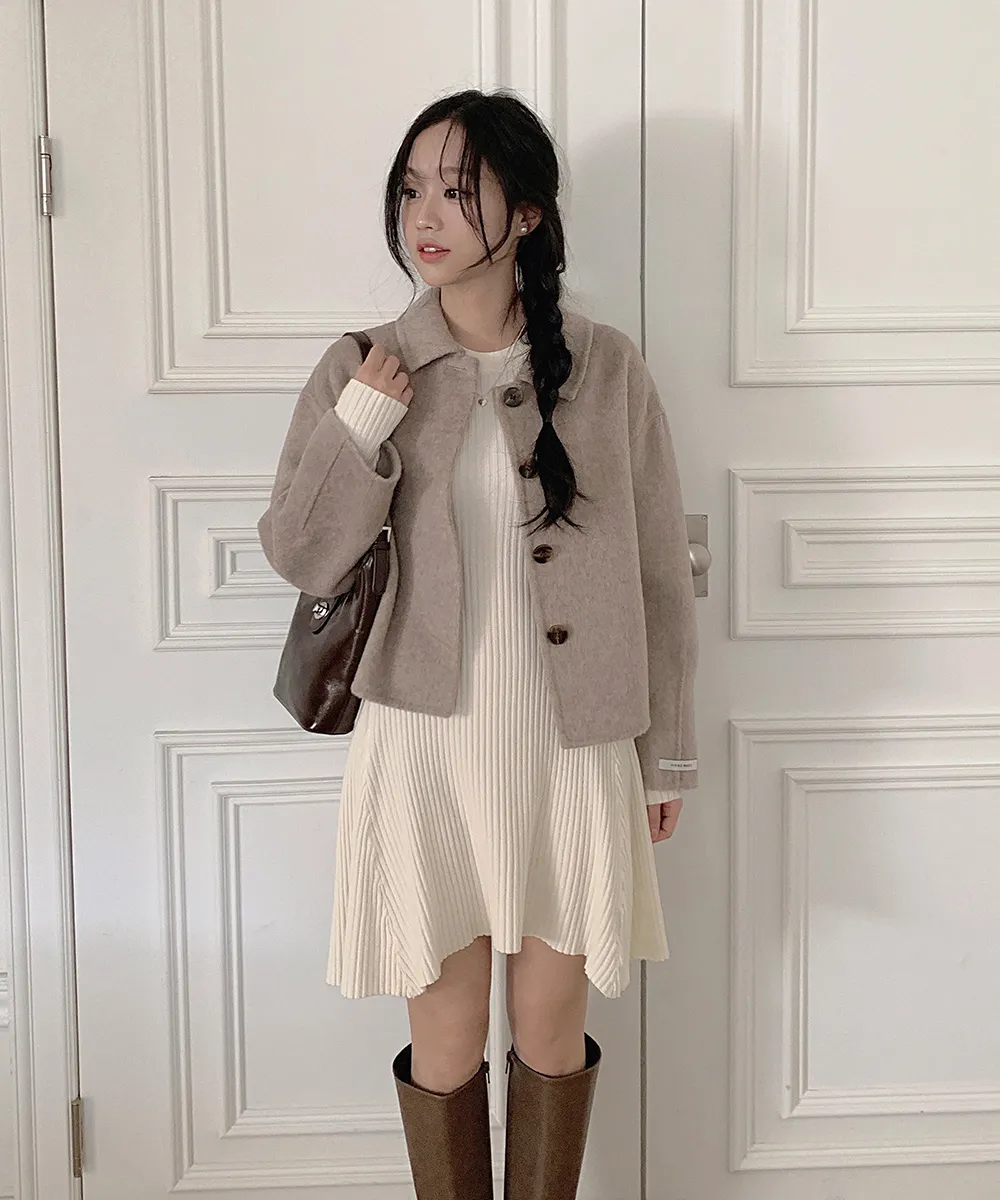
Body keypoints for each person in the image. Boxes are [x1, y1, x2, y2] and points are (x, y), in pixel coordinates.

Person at [258, 87, 698, 1200]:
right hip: (425, 751)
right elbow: (302, 554)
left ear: (529, 214)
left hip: (572, 748)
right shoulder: (367, 367)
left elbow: (657, 574)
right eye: (412, 188)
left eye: (459, 190)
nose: (426, 214)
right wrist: (364, 421)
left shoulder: (605, 368)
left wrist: (667, 756)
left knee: (550, 1034)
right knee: (447, 1042)